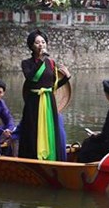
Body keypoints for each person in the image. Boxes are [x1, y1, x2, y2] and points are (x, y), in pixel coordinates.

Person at [18, 29, 71, 161]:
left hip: (48, 100)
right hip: (33, 101)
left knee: (50, 129)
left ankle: (51, 158)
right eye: (37, 43)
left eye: (43, 42)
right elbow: (32, 79)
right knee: (32, 129)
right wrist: (41, 59)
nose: (41, 45)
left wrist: (66, 77)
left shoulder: (51, 63)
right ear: (31, 46)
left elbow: (52, 85)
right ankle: (31, 158)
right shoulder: (26, 63)